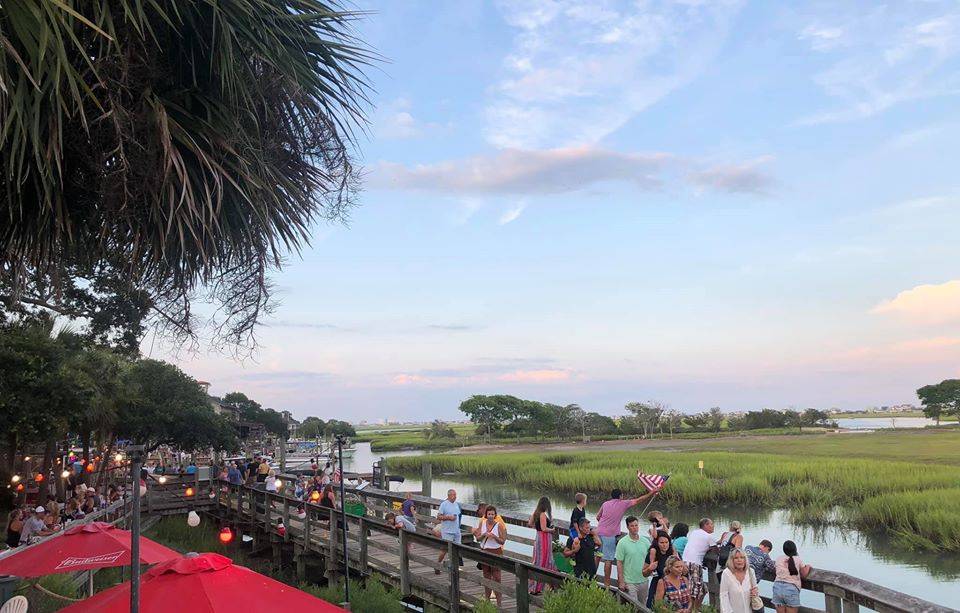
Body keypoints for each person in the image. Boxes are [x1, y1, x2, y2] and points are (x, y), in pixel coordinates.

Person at [596, 487, 660, 589]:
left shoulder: (605, 504)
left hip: (598, 533)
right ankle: (607, 585)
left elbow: (598, 517)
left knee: (597, 556)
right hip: (610, 535)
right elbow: (639, 500)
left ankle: (590, 579)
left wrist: (604, 525)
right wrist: (651, 493)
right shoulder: (623, 503)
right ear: (620, 496)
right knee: (608, 560)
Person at [473, 505, 506, 606]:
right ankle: (487, 601)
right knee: (486, 576)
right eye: (489, 514)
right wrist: (484, 535)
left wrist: (494, 537)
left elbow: (502, 540)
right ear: (486, 515)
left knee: (497, 578)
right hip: (485, 551)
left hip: (496, 552)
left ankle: (499, 603)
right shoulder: (482, 523)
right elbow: (478, 538)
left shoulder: (499, 525)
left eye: (492, 514)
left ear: (495, 515)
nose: (491, 516)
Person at [681, 518, 717, 610]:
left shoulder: (695, 532)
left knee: (703, 590)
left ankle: (695, 609)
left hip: (684, 562)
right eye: (711, 524)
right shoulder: (709, 537)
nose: (713, 526)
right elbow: (716, 550)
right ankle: (691, 610)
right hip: (694, 564)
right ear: (705, 525)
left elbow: (699, 545)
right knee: (695, 591)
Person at [616, 515, 652, 602]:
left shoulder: (645, 541)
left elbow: (651, 557)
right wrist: (621, 581)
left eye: (636, 525)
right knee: (633, 607)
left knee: (643, 606)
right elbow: (619, 562)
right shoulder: (622, 542)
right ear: (628, 527)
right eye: (632, 526)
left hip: (644, 580)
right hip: (630, 581)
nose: (635, 528)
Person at [528, 496, 557, 594]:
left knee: (538, 560)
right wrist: (552, 530)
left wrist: (538, 526)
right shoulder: (543, 514)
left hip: (538, 537)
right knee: (545, 561)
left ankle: (535, 587)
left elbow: (530, 524)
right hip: (544, 539)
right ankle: (538, 588)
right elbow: (544, 528)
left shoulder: (535, 513)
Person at [772, 540, 810, 613]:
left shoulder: (779, 558)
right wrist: (808, 566)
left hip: (777, 587)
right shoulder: (798, 559)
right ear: (795, 549)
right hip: (791, 589)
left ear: (784, 550)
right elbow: (804, 574)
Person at [720, 548, 759, 613]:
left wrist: (755, 592)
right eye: (736, 558)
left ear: (745, 559)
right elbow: (723, 595)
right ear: (732, 560)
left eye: (742, 557)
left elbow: (755, 589)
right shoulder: (726, 573)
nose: (739, 560)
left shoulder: (751, 572)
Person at [643, 530, 675, 609]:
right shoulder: (653, 554)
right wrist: (649, 569)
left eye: (666, 542)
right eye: (662, 543)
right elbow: (644, 573)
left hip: (671, 587)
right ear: (657, 543)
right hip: (656, 586)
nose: (665, 545)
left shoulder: (673, 553)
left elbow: (682, 570)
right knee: (653, 608)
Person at [436, 489, 462, 573]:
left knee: (457, 549)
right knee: (445, 550)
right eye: (453, 495)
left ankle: (455, 567)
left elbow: (457, 516)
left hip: (456, 530)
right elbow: (439, 517)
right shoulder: (444, 504)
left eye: (455, 495)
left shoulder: (456, 504)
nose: (455, 496)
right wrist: (448, 517)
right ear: (449, 495)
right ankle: (437, 565)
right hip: (447, 531)